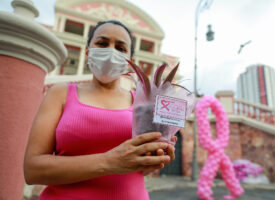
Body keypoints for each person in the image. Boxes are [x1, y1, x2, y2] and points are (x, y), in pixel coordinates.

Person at [24, 20, 176, 200]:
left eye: (120, 48)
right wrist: (110, 162)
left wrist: (153, 160)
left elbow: (139, 167)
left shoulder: (142, 103)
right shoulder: (60, 93)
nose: (111, 52)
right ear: (88, 52)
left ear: (130, 62)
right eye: (102, 44)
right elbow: (33, 170)